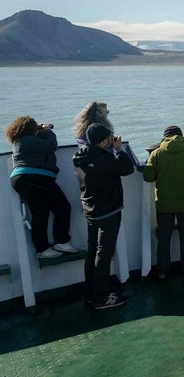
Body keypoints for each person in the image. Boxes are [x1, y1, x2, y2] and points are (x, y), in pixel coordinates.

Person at [73, 123, 135, 309]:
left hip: (91, 211)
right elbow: (127, 169)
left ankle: (90, 294)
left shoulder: (80, 157)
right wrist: (118, 150)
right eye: (109, 137)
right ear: (103, 141)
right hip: (109, 211)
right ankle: (101, 298)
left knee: (92, 252)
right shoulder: (104, 158)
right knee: (104, 254)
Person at [5, 117, 76, 259]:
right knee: (58, 208)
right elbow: (50, 146)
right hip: (34, 177)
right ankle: (53, 245)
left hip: (29, 178)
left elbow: (43, 146)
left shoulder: (21, 141)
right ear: (30, 129)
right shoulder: (27, 140)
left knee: (43, 211)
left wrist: (41, 131)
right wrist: (47, 131)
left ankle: (48, 246)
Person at [142, 125, 184, 279]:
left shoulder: (157, 154)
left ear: (165, 137)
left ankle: (162, 271)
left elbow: (148, 177)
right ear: (181, 136)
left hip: (164, 204)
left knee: (164, 239)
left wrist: (150, 160)